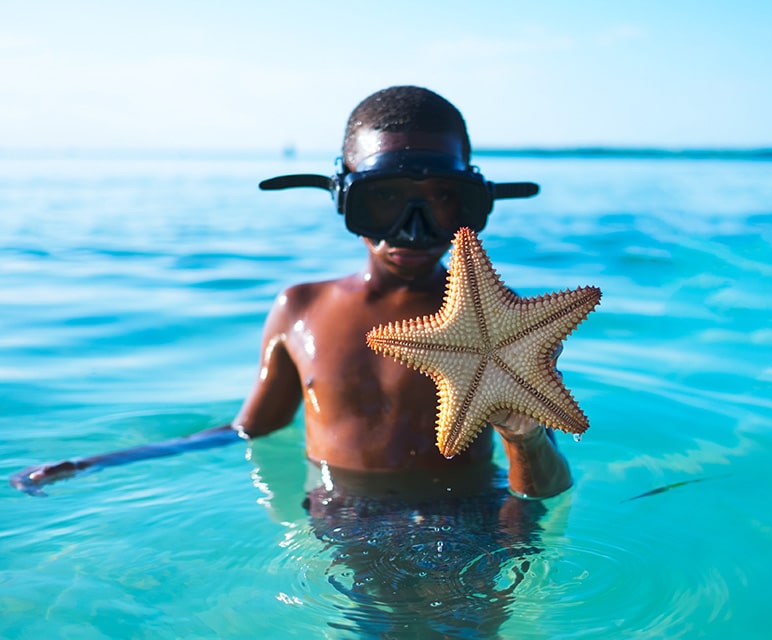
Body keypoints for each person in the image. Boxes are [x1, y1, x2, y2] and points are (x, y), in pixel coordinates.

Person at [11, 86, 572, 501]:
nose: (414, 228)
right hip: (343, 522)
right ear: (342, 197)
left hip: (470, 524)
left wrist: (523, 434)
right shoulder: (300, 311)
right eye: (384, 201)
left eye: (446, 200)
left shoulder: (510, 327)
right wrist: (100, 462)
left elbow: (543, 487)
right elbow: (246, 430)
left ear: (476, 203)